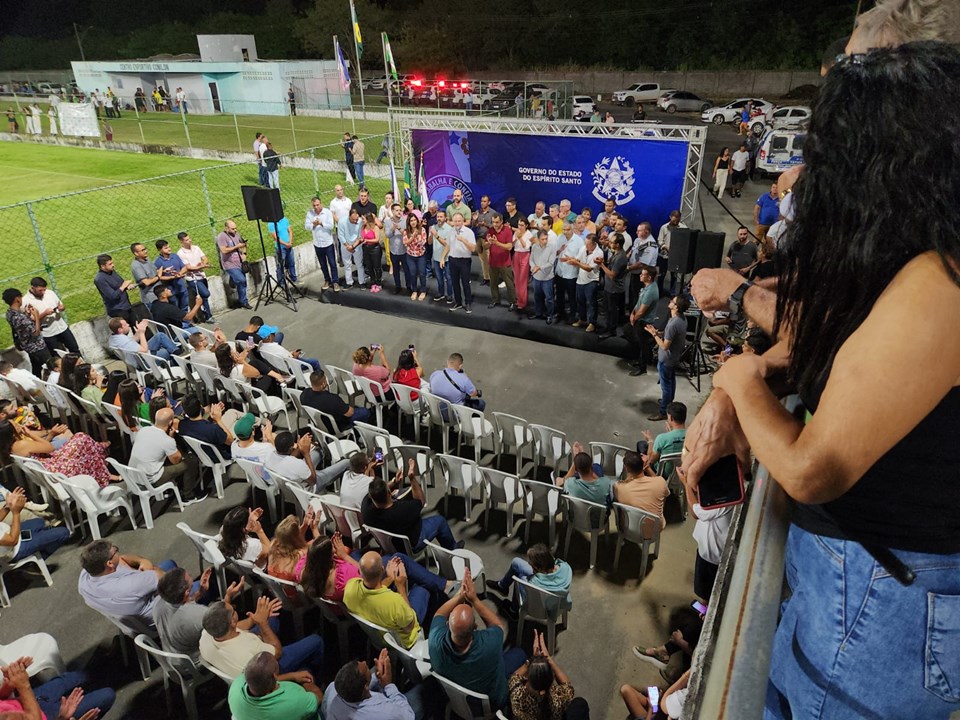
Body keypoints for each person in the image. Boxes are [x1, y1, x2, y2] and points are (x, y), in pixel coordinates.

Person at [680, 43, 960, 719]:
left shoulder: (938, 284)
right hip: (868, 583)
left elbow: (812, 469)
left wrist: (741, 382)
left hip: (878, 593)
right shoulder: (917, 255)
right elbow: (831, 330)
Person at [429, 568, 527, 712]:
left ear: (448, 626)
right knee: (519, 653)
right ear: (475, 627)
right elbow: (497, 625)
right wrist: (474, 600)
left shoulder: (435, 641)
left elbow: (439, 614)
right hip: (491, 705)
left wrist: (459, 596)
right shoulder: (490, 645)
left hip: (455, 700)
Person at [200, 595, 324, 679]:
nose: (235, 609)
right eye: (234, 610)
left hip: (239, 662)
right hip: (267, 670)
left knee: (273, 619)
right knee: (316, 641)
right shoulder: (249, 651)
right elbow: (277, 652)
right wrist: (262, 623)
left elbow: (239, 627)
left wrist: (257, 618)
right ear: (232, 622)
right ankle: (310, 673)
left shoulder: (207, 633)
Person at [361, 460, 461, 552]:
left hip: (388, 546)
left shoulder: (365, 507)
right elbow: (421, 501)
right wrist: (412, 477)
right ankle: (453, 550)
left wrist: (394, 482)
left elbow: (377, 492)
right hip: (410, 545)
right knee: (440, 521)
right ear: (388, 493)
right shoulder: (403, 510)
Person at [343, 551, 434, 649]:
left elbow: (372, 590)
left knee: (401, 560)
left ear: (360, 572)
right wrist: (401, 586)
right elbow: (409, 626)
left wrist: (391, 578)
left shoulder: (350, 588)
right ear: (382, 569)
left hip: (379, 636)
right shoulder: (394, 601)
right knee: (423, 586)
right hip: (403, 640)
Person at [77, 539, 174, 626]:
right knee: (174, 570)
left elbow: (122, 559)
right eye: (115, 550)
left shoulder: (84, 580)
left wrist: (141, 560)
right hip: (162, 615)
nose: (116, 551)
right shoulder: (131, 585)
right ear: (109, 563)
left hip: (133, 622)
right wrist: (150, 566)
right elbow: (164, 577)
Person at [0, 418, 115, 488]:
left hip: (48, 465)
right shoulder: (20, 445)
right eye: (16, 425)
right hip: (55, 469)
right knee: (81, 438)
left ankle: (102, 467)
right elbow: (49, 448)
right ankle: (103, 470)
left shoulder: (12, 446)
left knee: (81, 439)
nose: (19, 425)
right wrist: (30, 434)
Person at [0, 656, 116, 720]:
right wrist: (23, 685)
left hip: (32, 698)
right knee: (107, 695)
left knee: (77, 677)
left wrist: (10, 684)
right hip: (48, 714)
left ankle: (112, 663)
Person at [129, 407, 203, 501]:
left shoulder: (143, 430)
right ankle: (189, 496)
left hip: (134, 477)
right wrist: (171, 439)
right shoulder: (167, 441)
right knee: (191, 461)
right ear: (170, 423)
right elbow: (176, 460)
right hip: (151, 480)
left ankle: (180, 484)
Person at [322, 650, 419, 720]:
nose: (364, 662)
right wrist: (389, 685)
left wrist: (378, 676)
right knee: (424, 690)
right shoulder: (386, 713)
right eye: (366, 669)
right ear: (365, 687)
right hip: (400, 712)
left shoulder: (332, 689)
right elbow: (409, 716)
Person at [153, 566, 222, 661]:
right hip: (196, 662)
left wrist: (201, 592)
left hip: (172, 658)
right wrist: (227, 599)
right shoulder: (199, 614)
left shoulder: (158, 604)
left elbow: (185, 604)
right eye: (189, 575)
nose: (192, 576)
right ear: (186, 592)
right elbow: (224, 627)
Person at [229, 651, 322, 720]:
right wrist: (307, 682)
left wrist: (292, 676)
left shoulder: (235, 687)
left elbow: (260, 680)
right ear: (274, 676)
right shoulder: (293, 702)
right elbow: (318, 697)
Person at [488, 543, 572, 617]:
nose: (528, 563)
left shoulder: (535, 582)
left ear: (537, 568)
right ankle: (502, 586)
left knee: (519, 577)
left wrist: (522, 579)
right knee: (516, 562)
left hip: (541, 606)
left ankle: (513, 610)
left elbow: (531, 587)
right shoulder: (566, 567)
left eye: (530, 563)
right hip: (557, 600)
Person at [508, 630, 576, 720]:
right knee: (580, 704)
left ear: (528, 677)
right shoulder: (558, 701)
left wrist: (531, 660)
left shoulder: (517, 696)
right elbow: (567, 685)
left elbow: (514, 677)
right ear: (551, 679)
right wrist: (549, 659)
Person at [646, 295, 689, 421]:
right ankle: (668, 402)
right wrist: (659, 333)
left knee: (666, 386)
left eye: (672, 302)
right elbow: (670, 335)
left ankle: (664, 411)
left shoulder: (673, 323)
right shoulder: (681, 319)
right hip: (674, 357)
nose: (670, 302)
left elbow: (665, 346)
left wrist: (654, 335)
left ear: (676, 307)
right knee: (670, 382)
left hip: (667, 359)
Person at [0, 485, 70, 564]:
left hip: (11, 533)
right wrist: (16, 513)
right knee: (64, 533)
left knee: (40, 522)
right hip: (14, 549)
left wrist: (8, 506)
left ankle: (40, 542)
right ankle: (34, 564)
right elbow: (13, 541)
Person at [20, 277, 79, 354]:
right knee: (57, 356)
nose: (43, 292)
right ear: (32, 288)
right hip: (48, 333)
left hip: (62, 327)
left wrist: (61, 307)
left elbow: (60, 304)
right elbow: (31, 320)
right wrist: (45, 313)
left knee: (74, 349)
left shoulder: (50, 293)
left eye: (44, 289)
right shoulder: (25, 301)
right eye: (40, 290)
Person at [613, 452, 669, 529]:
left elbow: (624, 482)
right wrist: (647, 467)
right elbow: (663, 489)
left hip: (629, 530)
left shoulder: (618, 487)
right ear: (642, 464)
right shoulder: (660, 482)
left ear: (627, 469)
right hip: (655, 530)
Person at [301, 369, 371, 431]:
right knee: (364, 412)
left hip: (319, 425)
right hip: (336, 427)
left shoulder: (304, 394)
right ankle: (359, 433)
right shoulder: (332, 399)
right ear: (323, 384)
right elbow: (350, 413)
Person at [3, 288, 51, 375]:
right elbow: (36, 333)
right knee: (52, 367)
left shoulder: (9, 313)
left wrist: (27, 315)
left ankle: (38, 385)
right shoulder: (19, 317)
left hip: (28, 347)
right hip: (38, 347)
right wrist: (36, 315)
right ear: (17, 299)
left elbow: (23, 327)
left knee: (36, 369)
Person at [623, 266, 660, 376]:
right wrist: (632, 313)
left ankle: (642, 367)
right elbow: (639, 302)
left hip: (644, 321)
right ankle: (641, 359)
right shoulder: (647, 287)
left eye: (642, 274)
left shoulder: (650, 292)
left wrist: (634, 318)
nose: (640, 275)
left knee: (642, 344)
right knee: (630, 332)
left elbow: (642, 310)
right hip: (639, 319)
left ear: (649, 277)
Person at [564, 233, 603, 332]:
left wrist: (576, 263)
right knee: (580, 301)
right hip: (580, 280)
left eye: (588, 244)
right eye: (585, 243)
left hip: (591, 281)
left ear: (594, 244)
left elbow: (589, 268)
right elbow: (578, 259)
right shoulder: (583, 248)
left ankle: (592, 323)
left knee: (591, 303)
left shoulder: (599, 253)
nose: (586, 246)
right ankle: (583, 319)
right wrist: (571, 259)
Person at [556, 443, 614, 508]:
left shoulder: (571, 484)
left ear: (576, 471)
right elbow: (600, 480)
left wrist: (576, 460)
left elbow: (559, 483)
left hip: (576, 517)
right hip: (599, 517)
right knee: (597, 467)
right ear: (591, 466)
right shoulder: (605, 483)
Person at [178, 395, 235, 460]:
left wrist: (214, 416)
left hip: (203, 456)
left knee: (231, 413)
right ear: (200, 406)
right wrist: (218, 420)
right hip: (223, 456)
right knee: (234, 415)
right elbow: (231, 441)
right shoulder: (213, 429)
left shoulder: (182, 425)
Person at [441, 211, 476, 313]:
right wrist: (443, 257)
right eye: (455, 221)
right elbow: (448, 245)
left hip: (464, 260)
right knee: (454, 282)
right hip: (453, 260)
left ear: (463, 221)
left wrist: (464, 240)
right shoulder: (451, 231)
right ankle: (458, 302)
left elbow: (473, 249)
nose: (457, 223)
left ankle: (468, 303)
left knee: (465, 282)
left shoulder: (469, 232)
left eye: (459, 221)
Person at [176, 232, 214, 322]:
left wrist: (203, 263)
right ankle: (203, 315)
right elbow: (188, 267)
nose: (190, 241)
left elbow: (204, 257)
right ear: (181, 242)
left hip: (201, 275)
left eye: (189, 238)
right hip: (192, 278)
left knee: (204, 297)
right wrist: (201, 266)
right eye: (187, 240)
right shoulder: (181, 253)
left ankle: (207, 316)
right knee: (205, 294)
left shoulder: (196, 248)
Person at [107, 316, 179, 362]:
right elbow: (144, 350)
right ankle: (179, 359)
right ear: (120, 329)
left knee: (160, 336)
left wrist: (138, 332)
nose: (128, 325)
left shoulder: (114, 338)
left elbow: (132, 341)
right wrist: (142, 333)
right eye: (125, 325)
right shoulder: (123, 341)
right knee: (167, 351)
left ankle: (177, 354)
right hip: (144, 361)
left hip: (137, 358)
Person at [639, 401, 687, 470]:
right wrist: (671, 432)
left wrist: (650, 441)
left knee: (641, 445)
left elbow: (650, 460)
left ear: (671, 418)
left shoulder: (662, 438)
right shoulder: (692, 435)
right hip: (683, 470)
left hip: (664, 474)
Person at [597, 234, 628, 338]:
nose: (609, 243)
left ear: (618, 245)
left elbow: (612, 275)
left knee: (612, 310)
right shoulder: (616, 254)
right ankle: (608, 326)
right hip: (609, 287)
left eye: (611, 242)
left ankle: (612, 330)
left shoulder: (620, 257)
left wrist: (601, 265)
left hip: (614, 289)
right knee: (608, 309)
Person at [306, 196, 339, 291]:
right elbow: (307, 226)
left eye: (317, 205)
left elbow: (331, 226)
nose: (316, 207)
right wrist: (313, 224)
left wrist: (321, 223)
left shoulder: (327, 212)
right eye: (314, 205)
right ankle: (327, 280)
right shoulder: (310, 214)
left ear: (321, 204)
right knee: (323, 264)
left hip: (328, 243)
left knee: (332, 263)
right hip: (317, 244)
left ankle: (335, 281)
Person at [217, 220, 252, 309]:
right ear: (226, 228)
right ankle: (243, 300)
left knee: (243, 282)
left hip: (240, 262)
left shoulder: (237, 235)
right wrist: (237, 246)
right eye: (233, 229)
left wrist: (244, 254)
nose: (235, 230)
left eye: (236, 228)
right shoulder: (222, 237)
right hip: (229, 264)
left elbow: (243, 245)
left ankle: (243, 301)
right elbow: (224, 250)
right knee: (241, 280)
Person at [486, 213, 517, 310]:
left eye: (497, 222)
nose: (494, 224)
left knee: (509, 283)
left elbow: (509, 247)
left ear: (501, 221)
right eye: (493, 222)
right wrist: (489, 243)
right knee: (493, 283)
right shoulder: (490, 231)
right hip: (493, 262)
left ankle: (513, 302)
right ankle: (495, 300)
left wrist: (497, 243)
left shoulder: (507, 231)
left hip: (505, 262)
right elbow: (486, 246)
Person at [553, 223, 582, 321]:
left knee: (571, 296)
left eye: (567, 230)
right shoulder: (560, 238)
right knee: (559, 295)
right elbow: (555, 253)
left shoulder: (579, 241)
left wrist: (570, 259)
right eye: (563, 230)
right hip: (560, 272)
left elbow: (581, 257)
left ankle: (572, 315)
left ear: (572, 229)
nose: (565, 232)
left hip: (571, 273)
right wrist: (558, 251)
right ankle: (560, 313)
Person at [528, 229, 557, 323]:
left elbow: (551, 263)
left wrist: (539, 267)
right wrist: (533, 267)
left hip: (547, 278)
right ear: (538, 239)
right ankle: (538, 313)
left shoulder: (552, 247)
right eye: (542, 239)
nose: (545, 241)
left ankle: (549, 315)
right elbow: (531, 259)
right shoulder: (534, 247)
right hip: (536, 277)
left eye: (546, 239)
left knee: (549, 298)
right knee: (537, 296)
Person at [154, 239, 189, 311]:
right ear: (160, 250)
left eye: (169, 247)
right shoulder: (158, 262)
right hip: (171, 290)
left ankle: (186, 321)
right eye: (166, 248)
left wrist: (180, 273)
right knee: (175, 308)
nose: (169, 249)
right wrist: (172, 277)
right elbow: (159, 277)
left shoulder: (175, 256)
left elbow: (184, 267)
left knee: (185, 306)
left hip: (181, 286)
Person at [430, 209, 454, 302]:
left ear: (445, 218)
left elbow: (446, 244)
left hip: (447, 258)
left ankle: (450, 294)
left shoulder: (449, 229)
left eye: (441, 217)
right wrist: (431, 234)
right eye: (438, 217)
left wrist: (436, 235)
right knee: (439, 277)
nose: (439, 218)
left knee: (448, 277)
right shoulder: (434, 227)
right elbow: (429, 242)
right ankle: (441, 293)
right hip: (436, 257)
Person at [338, 207, 365, 289]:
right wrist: (347, 246)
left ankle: (362, 282)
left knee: (359, 264)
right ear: (349, 216)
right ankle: (349, 282)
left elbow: (360, 236)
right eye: (353, 219)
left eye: (356, 219)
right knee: (347, 265)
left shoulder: (360, 222)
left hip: (357, 245)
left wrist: (353, 246)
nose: (355, 221)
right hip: (345, 246)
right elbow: (341, 236)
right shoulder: (342, 222)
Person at [403, 213, 429, 300]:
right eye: (411, 221)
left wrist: (417, 237)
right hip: (410, 256)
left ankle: (423, 290)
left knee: (422, 273)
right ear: (409, 222)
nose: (413, 222)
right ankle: (414, 290)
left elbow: (423, 243)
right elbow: (405, 243)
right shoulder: (406, 231)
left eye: (414, 220)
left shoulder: (422, 230)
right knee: (413, 273)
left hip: (421, 255)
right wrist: (412, 236)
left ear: (417, 221)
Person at [512, 215, 533, 313]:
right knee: (516, 279)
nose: (520, 227)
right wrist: (516, 238)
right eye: (519, 225)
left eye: (522, 225)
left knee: (522, 279)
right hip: (516, 255)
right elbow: (512, 245)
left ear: (526, 226)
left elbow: (526, 246)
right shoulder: (516, 232)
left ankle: (522, 302)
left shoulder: (529, 234)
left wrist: (520, 238)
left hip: (525, 255)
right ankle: (517, 299)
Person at [268, 213, 297, 284]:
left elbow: (290, 231)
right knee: (281, 265)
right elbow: (275, 237)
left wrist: (290, 242)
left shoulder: (284, 219)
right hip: (280, 247)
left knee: (291, 262)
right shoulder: (271, 223)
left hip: (288, 245)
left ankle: (294, 278)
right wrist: (286, 244)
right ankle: (281, 282)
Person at [360, 213, 383, 293]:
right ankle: (373, 282)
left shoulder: (375, 227)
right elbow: (362, 237)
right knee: (369, 266)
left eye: (363, 219)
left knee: (377, 266)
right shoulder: (363, 227)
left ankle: (379, 283)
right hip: (366, 249)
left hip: (375, 249)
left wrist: (367, 240)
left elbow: (376, 239)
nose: (362, 220)